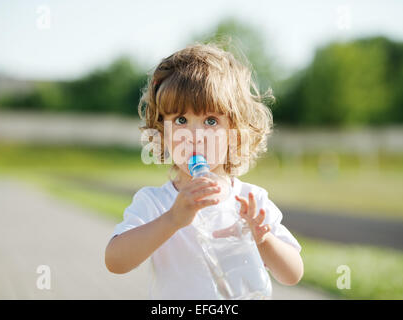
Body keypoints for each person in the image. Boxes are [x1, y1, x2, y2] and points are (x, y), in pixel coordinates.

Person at [105, 41, 303, 299]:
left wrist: (263, 239)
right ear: (162, 131)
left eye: (211, 121)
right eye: (181, 120)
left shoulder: (251, 200)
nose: (195, 135)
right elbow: (115, 261)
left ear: (235, 132)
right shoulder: (156, 203)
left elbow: (292, 274)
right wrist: (172, 220)